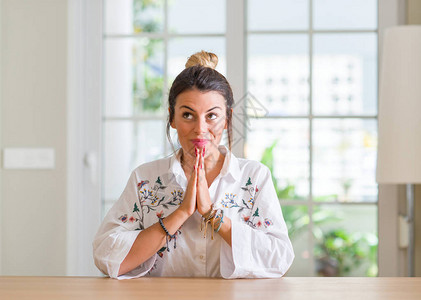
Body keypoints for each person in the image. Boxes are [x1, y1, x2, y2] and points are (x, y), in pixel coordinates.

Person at [93, 50, 294, 279]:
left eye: (212, 116)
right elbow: (106, 258)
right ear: (172, 118)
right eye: (188, 115)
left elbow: (280, 259)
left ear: (227, 119)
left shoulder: (255, 178)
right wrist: (181, 213)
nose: (200, 129)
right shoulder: (145, 179)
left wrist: (213, 215)